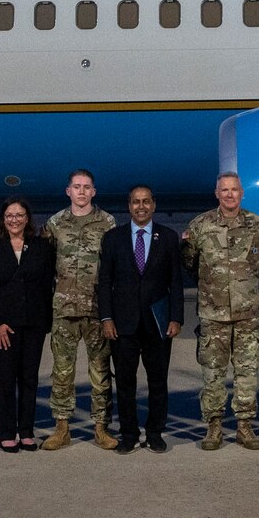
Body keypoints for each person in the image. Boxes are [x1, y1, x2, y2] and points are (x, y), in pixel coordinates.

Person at [181, 172, 259, 451]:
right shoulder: (200, 225)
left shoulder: (257, 226)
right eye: (224, 190)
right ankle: (214, 427)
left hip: (247, 314)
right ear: (216, 194)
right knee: (212, 373)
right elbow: (190, 263)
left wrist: (245, 286)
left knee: (247, 372)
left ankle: (245, 426)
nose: (229, 194)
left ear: (242, 193)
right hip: (213, 315)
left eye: (234, 190)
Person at [97, 185, 183, 453]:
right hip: (123, 324)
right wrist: (106, 318)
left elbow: (176, 282)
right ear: (129, 206)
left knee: (158, 381)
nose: (141, 206)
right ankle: (129, 433)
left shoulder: (168, 237)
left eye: (146, 201)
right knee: (125, 382)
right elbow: (105, 282)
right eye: (136, 202)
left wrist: (176, 317)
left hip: (158, 323)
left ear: (154, 205)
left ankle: (155, 432)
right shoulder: (113, 238)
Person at [43, 169, 118, 450]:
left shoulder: (107, 223)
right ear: (68, 191)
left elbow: (113, 265)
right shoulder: (55, 224)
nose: (82, 192)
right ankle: (62, 428)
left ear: (94, 192)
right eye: (77, 187)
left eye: (87, 187)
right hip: (64, 309)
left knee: (100, 372)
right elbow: (44, 263)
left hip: (97, 309)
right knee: (62, 373)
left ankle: (101, 428)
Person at [0, 197, 55, 451]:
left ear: (27, 218)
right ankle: (7, 433)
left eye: (19, 215)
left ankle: (27, 431)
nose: (14, 220)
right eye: (9, 215)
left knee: (30, 379)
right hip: (3, 327)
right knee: (5, 380)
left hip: (33, 323)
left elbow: (46, 286)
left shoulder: (41, 246)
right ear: (3, 219)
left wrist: (45, 322)